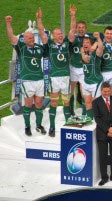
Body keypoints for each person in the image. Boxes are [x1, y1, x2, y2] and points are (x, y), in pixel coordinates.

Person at [36, 6, 76, 137]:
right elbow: (42, 33)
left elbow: (72, 30)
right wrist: (39, 19)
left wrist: (72, 16)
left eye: (61, 34)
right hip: (54, 78)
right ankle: (52, 127)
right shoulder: (49, 45)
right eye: (58, 34)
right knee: (53, 102)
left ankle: (68, 124)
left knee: (66, 102)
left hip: (65, 77)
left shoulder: (66, 43)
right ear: (53, 36)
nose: (61, 35)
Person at [5, 16, 47, 136]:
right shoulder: (21, 48)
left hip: (39, 80)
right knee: (28, 104)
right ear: (24, 39)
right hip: (27, 81)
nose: (32, 39)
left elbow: (44, 38)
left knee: (39, 104)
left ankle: (39, 125)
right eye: (29, 37)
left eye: (33, 37)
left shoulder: (39, 48)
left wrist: (39, 21)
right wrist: (8, 23)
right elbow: (11, 37)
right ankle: (27, 127)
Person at [92, 82, 112, 186]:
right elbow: (97, 118)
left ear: (110, 90)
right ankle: (104, 177)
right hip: (102, 133)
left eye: (108, 91)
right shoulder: (96, 102)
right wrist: (107, 129)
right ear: (101, 90)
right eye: (105, 91)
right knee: (103, 156)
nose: (107, 93)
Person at [80, 33, 104, 119]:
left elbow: (101, 48)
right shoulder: (82, 52)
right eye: (84, 42)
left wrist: (98, 39)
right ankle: (90, 121)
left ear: (91, 44)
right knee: (87, 103)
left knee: (95, 104)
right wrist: (83, 53)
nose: (85, 44)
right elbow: (83, 53)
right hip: (86, 82)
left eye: (87, 42)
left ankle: (98, 123)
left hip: (96, 82)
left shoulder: (96, 54)